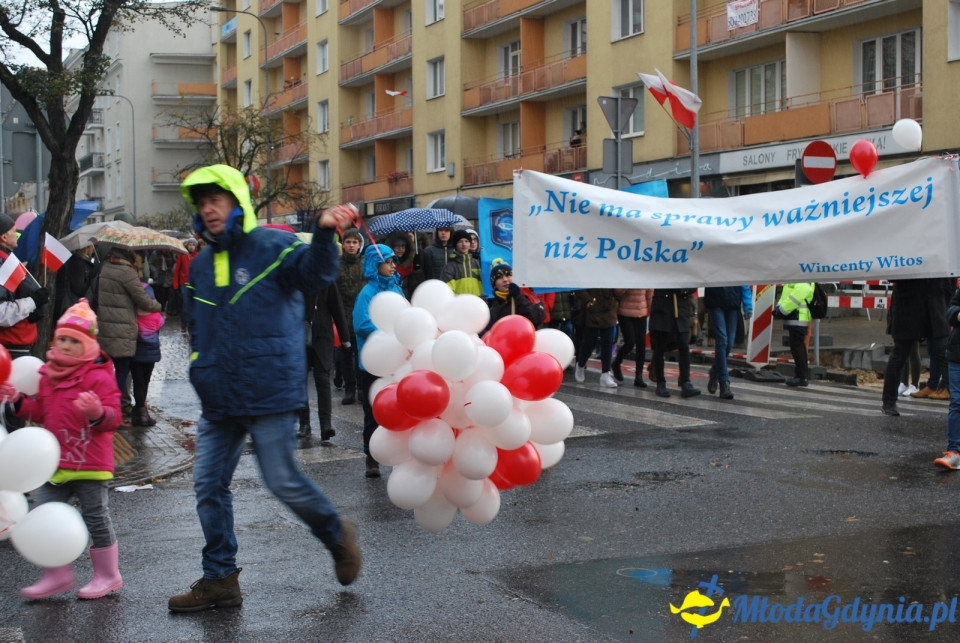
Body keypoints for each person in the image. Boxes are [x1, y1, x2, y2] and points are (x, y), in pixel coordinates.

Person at [168, 164, 361, 612]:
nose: (209, 209)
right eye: (202, 202)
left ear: (237, 202)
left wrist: (323, 232)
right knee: (208, 486)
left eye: (217, 199)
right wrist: (200, 365)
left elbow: (314, 277)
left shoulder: (273, 246)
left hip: (268, 387)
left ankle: (337, 535)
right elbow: (197, 326)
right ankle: (220, 579)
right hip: (219, 395)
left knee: (281, 480)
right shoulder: (199, 263)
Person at [1, 299, 123, 600]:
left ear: (87, 344)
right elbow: (40, 411)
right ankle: (57, 574)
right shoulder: (49, 375)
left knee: (96, 517)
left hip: (91, 463)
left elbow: (114, 417)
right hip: (55, 463)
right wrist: (17, 400)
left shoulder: (98, 375)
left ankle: (108, 575)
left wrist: (97, 412)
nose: (66, 346)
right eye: (62, 339)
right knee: (42, 513)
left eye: (74, 341)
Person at [354, 243, 405, 478]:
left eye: (394, 261)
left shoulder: (396, 289)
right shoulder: (367, 293)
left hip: (397, 362)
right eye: (389, 261)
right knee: (373, 410)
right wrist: (388, 337)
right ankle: (371, 458)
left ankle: (398, 454)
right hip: (373, 364)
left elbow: (408, 316)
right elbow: (362, 324)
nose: (393, 265)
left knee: (398, 410)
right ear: (376, 264)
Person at [880, 278, 952, 416]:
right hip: (908, 306)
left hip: (935, 306)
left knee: (944, 354)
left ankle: (954, 395)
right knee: (900, 355)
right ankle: (889, 401)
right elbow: (892, 274)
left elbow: (948, 275)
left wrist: (948, 303)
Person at [300, 285, 350, 442]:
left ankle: (326, 425)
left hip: (323, 335)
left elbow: (337, 308)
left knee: (322, 378)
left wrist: (345, 338)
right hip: (299, 335)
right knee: (299, 380)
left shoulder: (327, 280)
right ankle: (304, 424)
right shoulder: (295, 276)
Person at [0, 212, 49, 359]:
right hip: (11, 346)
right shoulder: (3, 264)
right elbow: (2, 313)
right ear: (3, 237)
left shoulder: (7, 259)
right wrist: (33, 302)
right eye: (14, 232)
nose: (17, 235)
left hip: (17, 344)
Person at [649, 288, 700, 398]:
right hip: (663, 307)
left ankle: (685, 381)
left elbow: (693, 285)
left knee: (683, 345)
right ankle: (660, 382)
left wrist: (683, 290)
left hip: (682, 307)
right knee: (660, 347)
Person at [704, 285, 753, 400]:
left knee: (729, 343)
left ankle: (715, 370)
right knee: (722, 341)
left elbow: (742, 279)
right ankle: (724, 382)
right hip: (716, 299)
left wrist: (747, 304)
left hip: (732, 300)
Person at [335, 228, 365, 405]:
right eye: (348, 242)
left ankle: (361, 387)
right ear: (343, 245)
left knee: (362, 353)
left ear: (359, 244)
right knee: (346, 354)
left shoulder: (364, 263)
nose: (351, 245)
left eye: (354, 242)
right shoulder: (336, 264)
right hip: (343, 314)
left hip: (361, 314)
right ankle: (349, 388)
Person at [131, 272, 164, 427]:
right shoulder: (156, 316)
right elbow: (161, 324)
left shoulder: (134, 315)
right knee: (146, 381)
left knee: (137, 381)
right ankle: (143, 413)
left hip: (137, 351)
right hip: (151, 353)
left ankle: (139, 412)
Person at [483, 260, 544, 334]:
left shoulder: (529, 296)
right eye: (499, 277)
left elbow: (537, 319)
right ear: (494, 284)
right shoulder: (493, 308)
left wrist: (518, 297)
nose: (505, 280)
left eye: (508, 275)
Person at [573, 288, 619, 388]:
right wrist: (588, 301)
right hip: (593, 310)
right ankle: (580, 364)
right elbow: (579, 286)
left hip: (609, 309)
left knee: (607, 343)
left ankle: (605, 373)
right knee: (589, 343)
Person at [936, 286, 960, 469]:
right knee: (957, 402)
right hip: (957, 354)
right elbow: (951, 307)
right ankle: (954, 451)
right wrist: (957, 315)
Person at [774, 282, 814, 388]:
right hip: (796, 317)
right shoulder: (798, 275)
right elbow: (787, 294)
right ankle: (801, 376)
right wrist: (780, 307)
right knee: (797, 346)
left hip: (799, 317)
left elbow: (801, 291)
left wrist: (782, 309)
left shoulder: (802, 277)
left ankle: (801, 377)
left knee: (797, 347)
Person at [611, 288, 653, 388]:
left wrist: (652, 313)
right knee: (630, 342)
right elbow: (617, 292)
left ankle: (639, 376)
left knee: (641, 345)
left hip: (641, 312)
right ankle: (616, 363)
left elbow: (650, 294)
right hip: (625, 312)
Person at [440, 229, 482, 295]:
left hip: (477, 303)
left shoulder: (477, 263)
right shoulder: (449, 266)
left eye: (466, 241)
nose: (464, 244)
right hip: (458, 304)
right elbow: (446, 291)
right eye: (460, 241)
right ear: (455, 244)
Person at [172, 238, 199, 332]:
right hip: (184, 283)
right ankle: (184, 323)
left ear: (195, 246)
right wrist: (175, 284)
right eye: (190, 244)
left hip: (195, 284)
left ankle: (193, 323)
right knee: (186, 304)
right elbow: (177, 270)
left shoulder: (198, 256)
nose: (191, 246)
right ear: (187, 245)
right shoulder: (182, 255)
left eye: (193, 245)